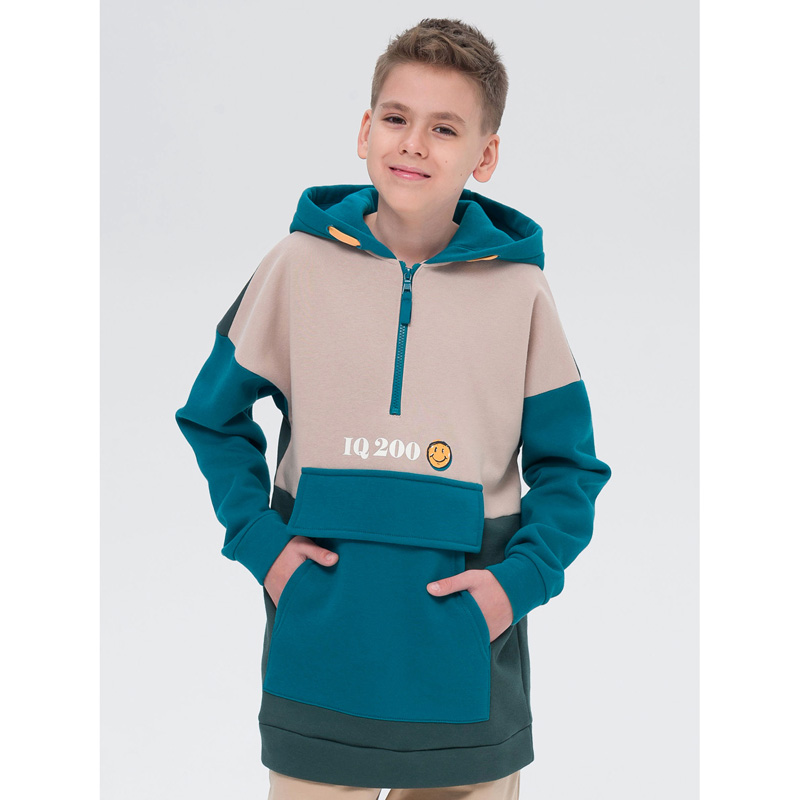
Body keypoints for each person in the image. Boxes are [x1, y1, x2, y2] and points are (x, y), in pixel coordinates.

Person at [175, 17, 612, 799]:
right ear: (364, 130)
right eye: (396, 117)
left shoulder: (522, 294)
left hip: (468, 667)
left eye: (444, 128)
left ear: (485, 155)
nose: (413, 143)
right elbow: (213, 417)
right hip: (320, 652)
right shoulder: (296, 266)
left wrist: (515, 587)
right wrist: (262, 546)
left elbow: (571, 470)